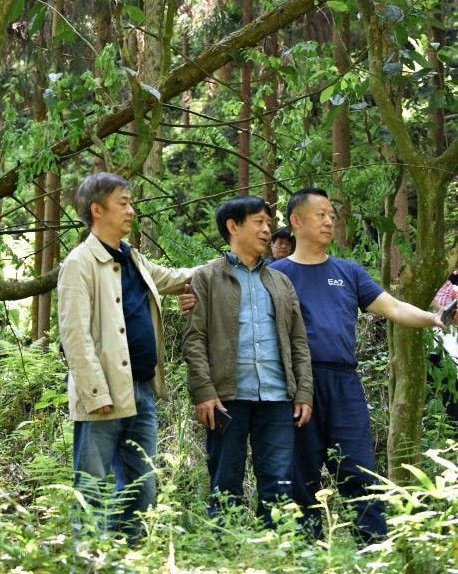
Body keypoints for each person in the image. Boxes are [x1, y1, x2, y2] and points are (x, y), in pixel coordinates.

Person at [269, 187, 448, 543]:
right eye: (320, 214)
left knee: (359, 469)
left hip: (344, 383)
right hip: (295, 384)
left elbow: (393, 307)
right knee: (301, 474)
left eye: (331, 215)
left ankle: (374, 549)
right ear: (296, 221)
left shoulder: (348, 271)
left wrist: (433, 318)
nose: (329, 221)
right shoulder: (274, 274)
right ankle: (307, 553)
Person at [57, 172, 193, 539]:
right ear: (97, 209)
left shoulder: (133, 258)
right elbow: (74, 336)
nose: (132, 210)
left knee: (141, 486)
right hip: (102, 393)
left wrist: (227, 264)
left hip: (141, 389)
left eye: (131, 203)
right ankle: (88, 558)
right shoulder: (80, 262)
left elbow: (175, 278)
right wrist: (95, 393)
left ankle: (128, 554)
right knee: (92, 486)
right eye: (124, 203)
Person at [181, 195, 313, 528]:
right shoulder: (207, 277)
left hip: (278, 397)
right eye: (259, 222)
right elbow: (194, 340)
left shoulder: (280, 281)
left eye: (269, 223)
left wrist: (304, 392)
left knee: (279, 485)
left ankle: (274, 546)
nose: (267, 230)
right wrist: (203, 392)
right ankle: (226, 547)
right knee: (225, 483)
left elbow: (298, 341)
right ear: (233, 226)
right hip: (226, 399)